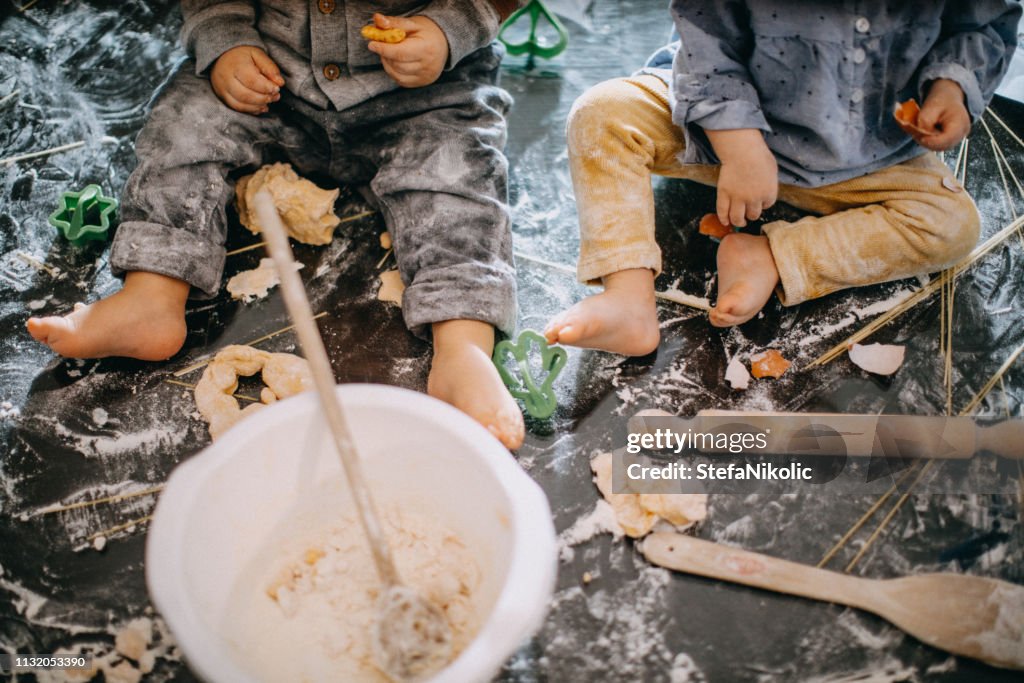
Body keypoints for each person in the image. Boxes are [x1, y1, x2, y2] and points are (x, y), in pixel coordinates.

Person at [27, 1, 526, 449]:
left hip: (429, 95)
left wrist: (448, 28)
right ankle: (152, 295)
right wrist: (224, 39)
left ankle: (463, 348)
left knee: (459, 180)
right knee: (184, 126)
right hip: (267, 84)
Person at [545, 0, 1021, 356]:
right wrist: (739, 143)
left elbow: (981, 24)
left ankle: (771, 256)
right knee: (601, 114)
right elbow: (707, 37)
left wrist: (952, 86)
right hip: (719, 136)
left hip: (865, 157)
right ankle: (627, 298)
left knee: (953, 224)